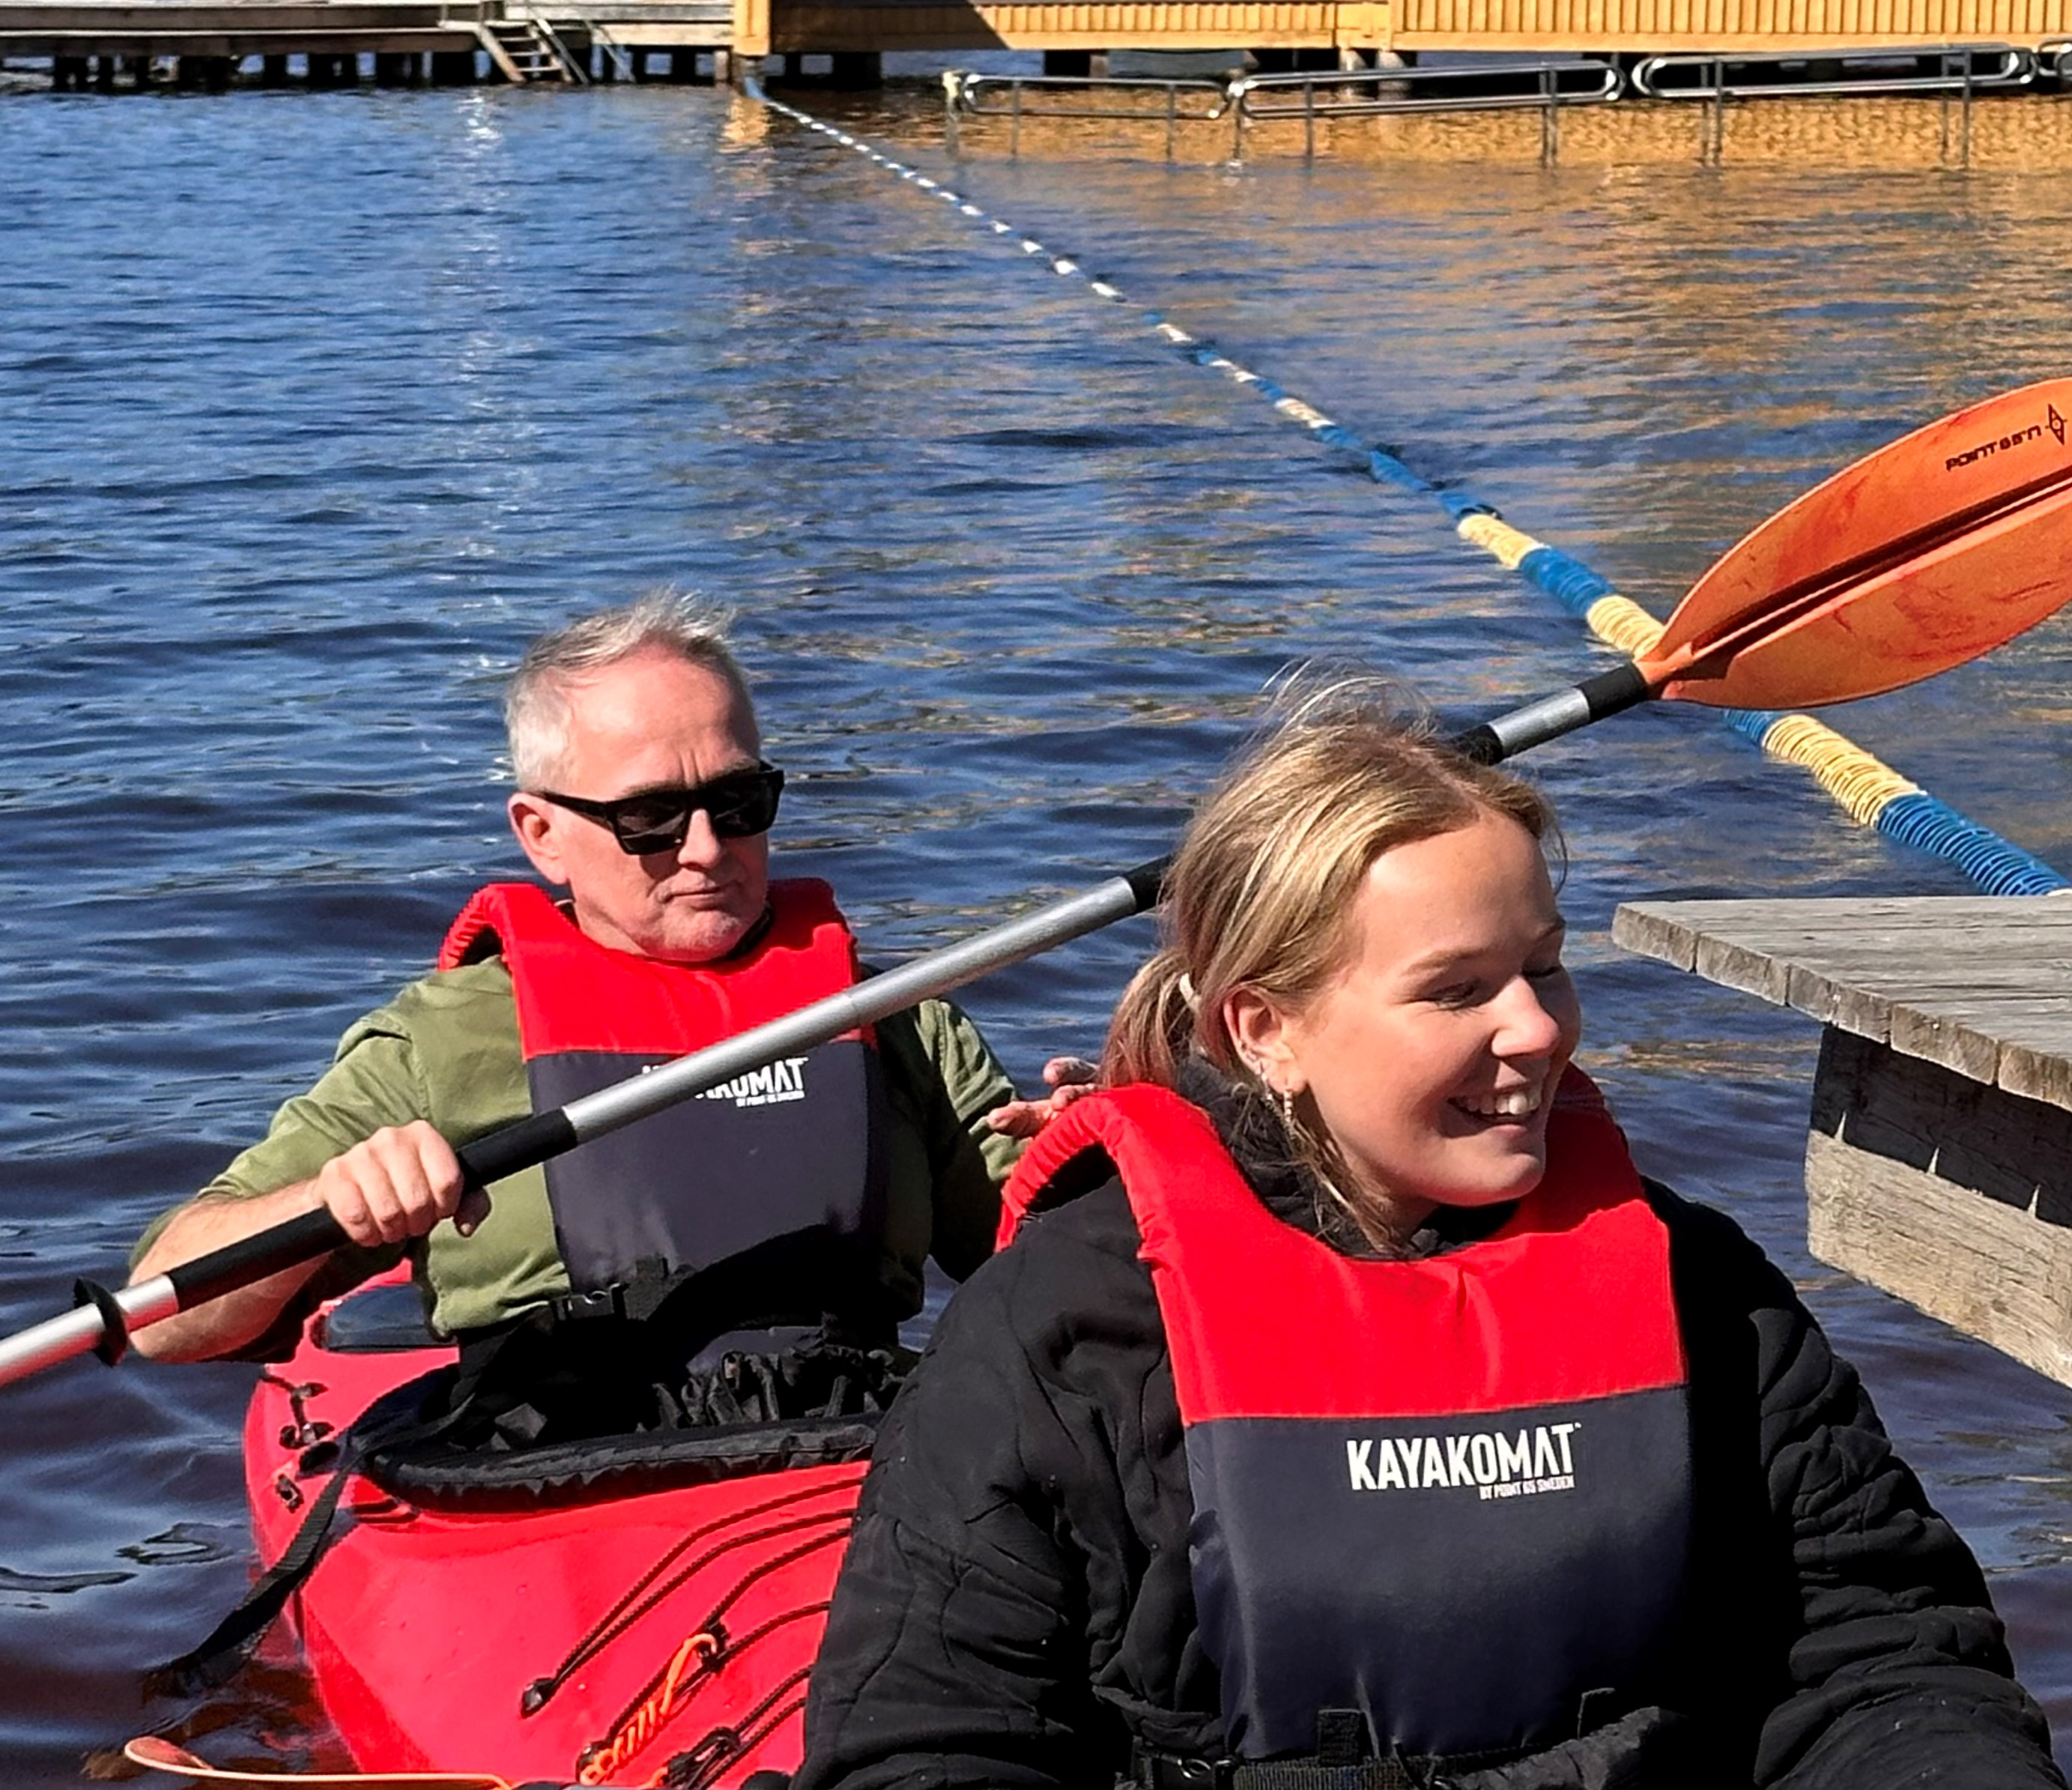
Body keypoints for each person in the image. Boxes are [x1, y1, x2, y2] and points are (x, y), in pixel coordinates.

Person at [794, 691, 2068, 1790]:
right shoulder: (1060, 1335)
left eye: (1545, 968)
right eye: (1457, 991)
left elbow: (1876, 1651)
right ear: (1262, 1032)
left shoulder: (1696, 1284)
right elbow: (932, 1738)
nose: (1537, 1031)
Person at [130, 593, 1078, 1437]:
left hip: (852, 1439)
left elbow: (1057, 1265)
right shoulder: (437, 1044)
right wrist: (331, 1201)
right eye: (651, 818)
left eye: (739, 801)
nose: (706, 849)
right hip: (562, 1458)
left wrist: (1107, 1155)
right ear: (541, 834)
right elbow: (167, 1318)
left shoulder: (897, 1019)